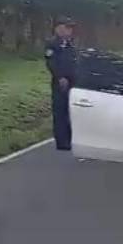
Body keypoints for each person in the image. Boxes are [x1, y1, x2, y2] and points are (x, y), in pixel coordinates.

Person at [45, 18, 78, 151]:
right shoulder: (52, 44)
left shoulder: (70, 44)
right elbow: (51, 62)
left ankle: (70, 138)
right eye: (67, 28)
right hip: (60, 82)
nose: (70, 31)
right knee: (60, 111)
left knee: (70, 109)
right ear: (58, 28)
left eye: (71, 28)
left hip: (72, 81)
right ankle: (61, 141)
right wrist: (59, 76)